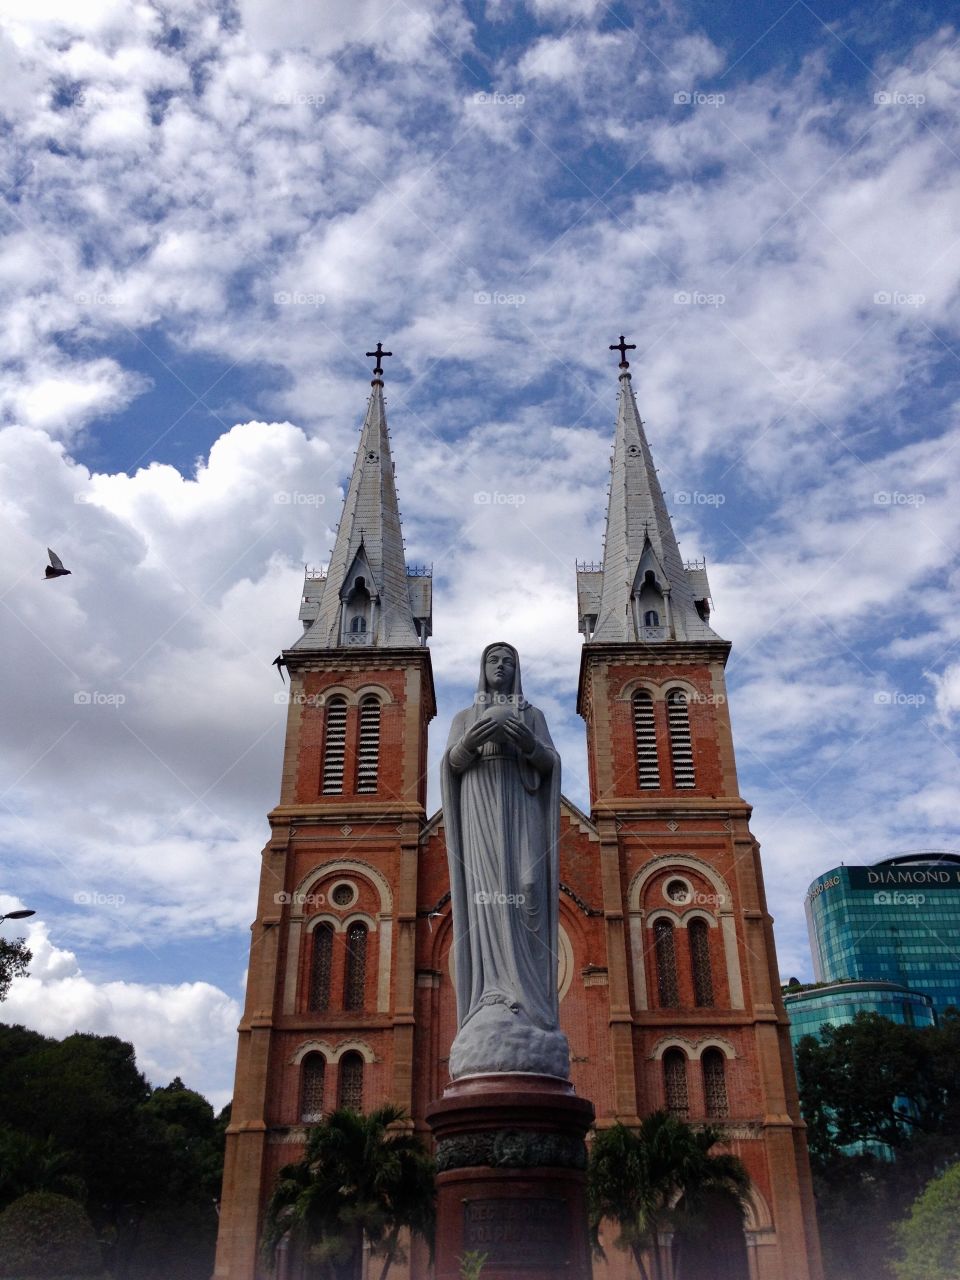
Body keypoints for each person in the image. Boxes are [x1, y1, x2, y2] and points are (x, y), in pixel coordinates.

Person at [441, 642, 569, 1078]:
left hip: (521, 810)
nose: (501, 666)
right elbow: (450, 766)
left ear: (518, 670)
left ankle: (531, 1002)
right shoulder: (464, 718)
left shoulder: (532, 715)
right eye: (493, 660)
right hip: (480, 818)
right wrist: (468, 746)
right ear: (482, 669)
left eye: (509, 660)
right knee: (485, 901)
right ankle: (491, 995)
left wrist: (531, 745)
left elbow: (551, 763)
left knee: (530, 889)